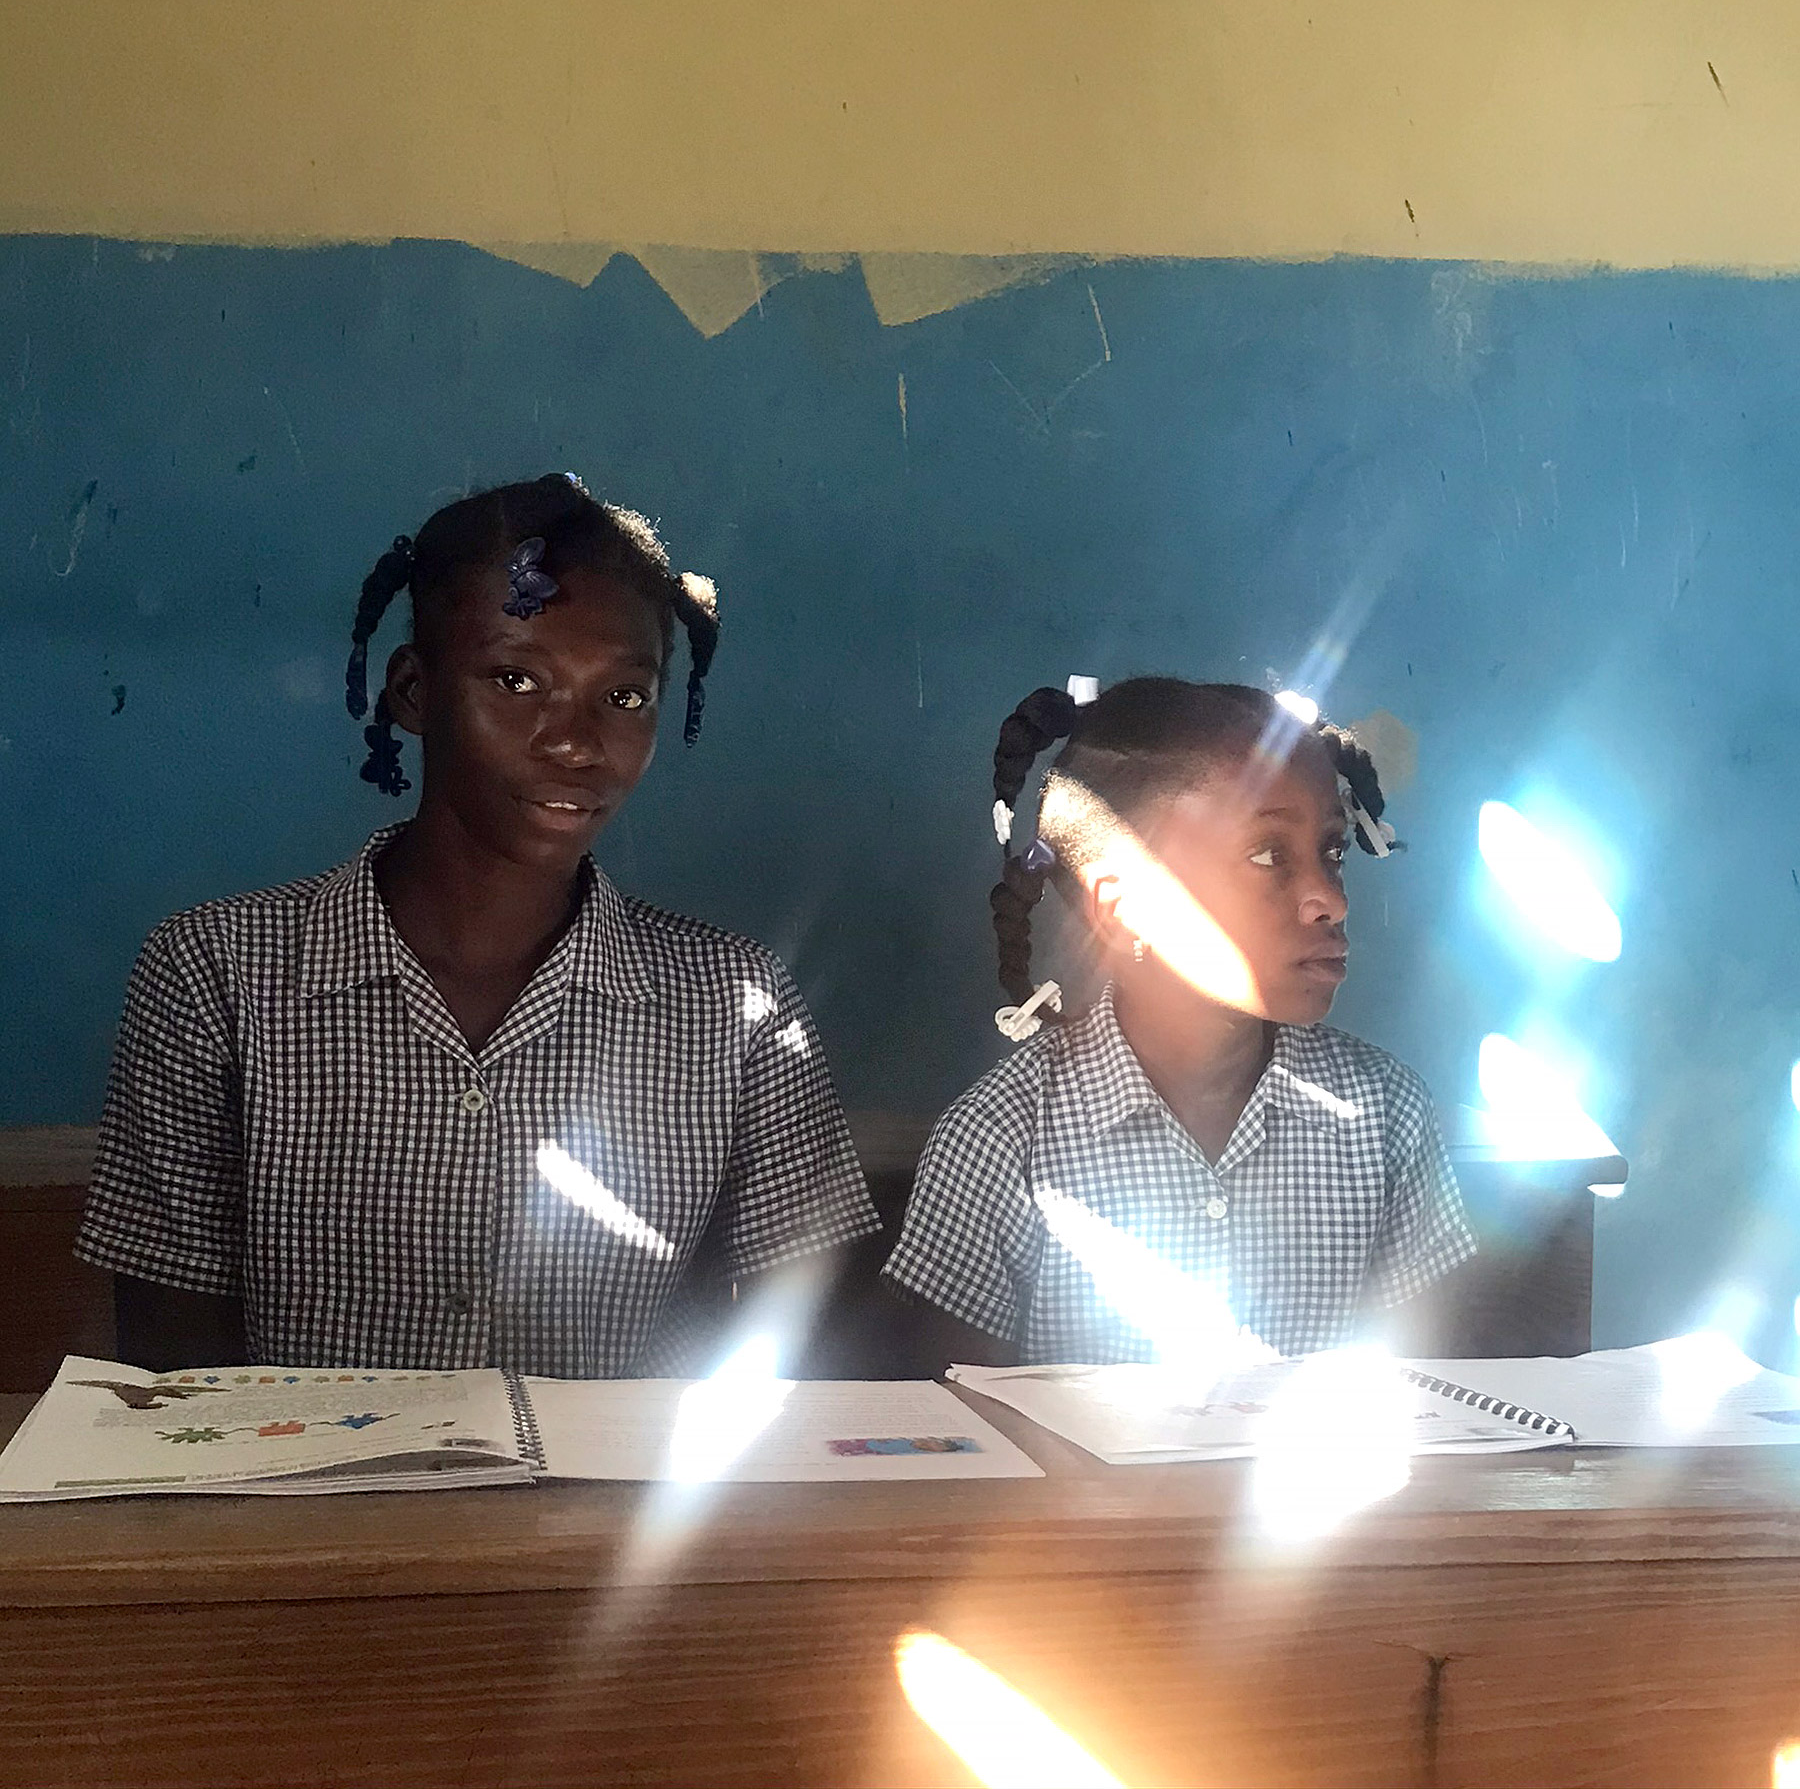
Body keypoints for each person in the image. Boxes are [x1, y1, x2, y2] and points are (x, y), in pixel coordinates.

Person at [78, 473, 878, 1375]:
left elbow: (803, 1358)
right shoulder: (218, 974)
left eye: (624, 697)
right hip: (304, 1516)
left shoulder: (733, 1004)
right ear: (414, 693)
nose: (575, 741)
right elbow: (169, 1384)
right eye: (516, 679)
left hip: (610, 1515)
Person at [881, 677, 1473, 1368]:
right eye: (1268, 855)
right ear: (1122, 906)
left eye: (1332, 853)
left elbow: (1431, 1399)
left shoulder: (1386, 1116)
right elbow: (968, 1439)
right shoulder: (1002, 1139)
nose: (1329, 900)